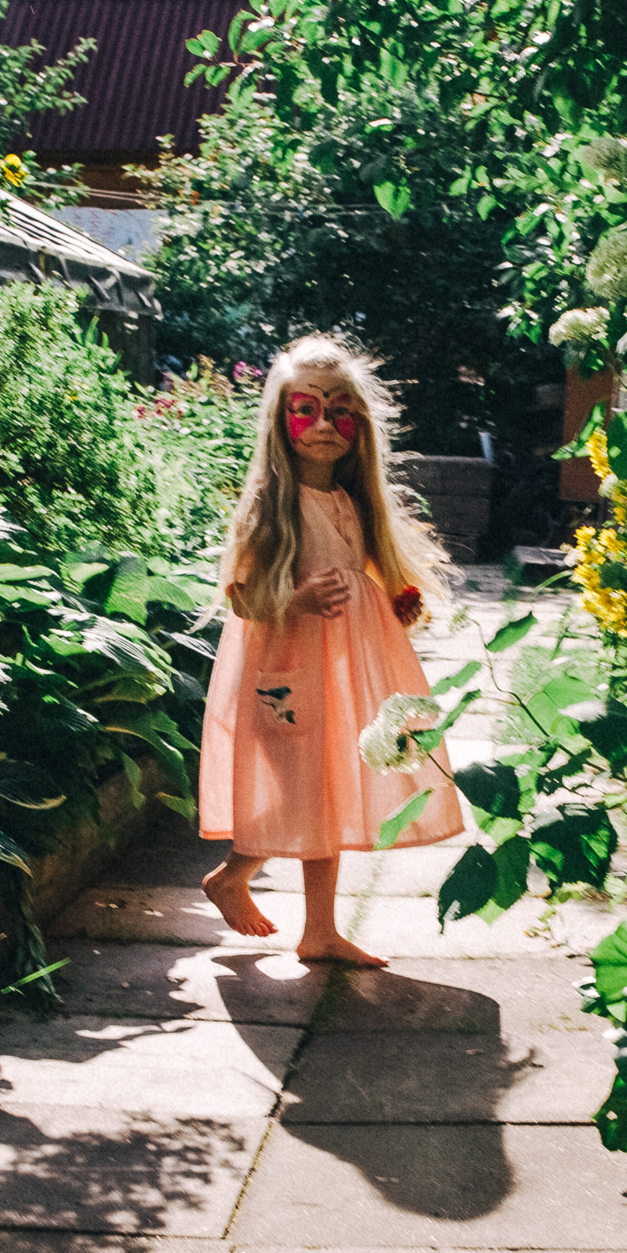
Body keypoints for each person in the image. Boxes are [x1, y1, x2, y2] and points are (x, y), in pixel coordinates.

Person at [196, 334, 465, 965]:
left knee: (329, 788)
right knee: (297, 790)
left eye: (340, 411)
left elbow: (368, 563)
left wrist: (397, 595)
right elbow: (240, 593)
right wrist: (293, 598)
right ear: (281, 419)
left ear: (360, 425)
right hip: (284, 672)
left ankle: (319, 929)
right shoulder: (272, 504)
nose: (324, 425)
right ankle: (232, 875)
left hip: (339, 667)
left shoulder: (350, 498)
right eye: (306, 409)